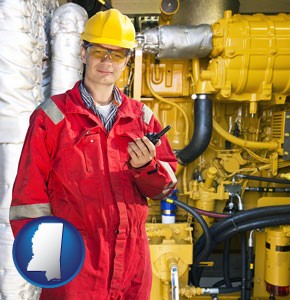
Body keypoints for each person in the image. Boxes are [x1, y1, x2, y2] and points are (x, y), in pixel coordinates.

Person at [9, 8, 177, 300]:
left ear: (127, 62)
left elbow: (165, 186)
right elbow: (29, 198)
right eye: (99, 51)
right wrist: (48, 264)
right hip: (76, 267)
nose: (107, 62)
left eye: (117, 54)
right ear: (84, 53)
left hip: (133, 266)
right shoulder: (52, 118)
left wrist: (147, 166)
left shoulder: (143, 118)